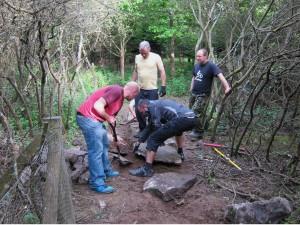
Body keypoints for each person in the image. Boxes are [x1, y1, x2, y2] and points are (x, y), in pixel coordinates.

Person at [76, 81, 140, 193]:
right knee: (96, 150)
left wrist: (114, 138)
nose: (134, 98)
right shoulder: (116, 90)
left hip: (96, 120)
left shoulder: (120, 101)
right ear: (133, 92)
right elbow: (97, 106)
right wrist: (108, 117)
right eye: (136, 95)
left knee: (105, 144)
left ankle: (106, 170)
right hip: (87, 118)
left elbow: (112, 121)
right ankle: (97, 183)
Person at [129, 99, 198, 177]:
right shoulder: (156, 104)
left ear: (144, 107)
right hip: (192, 118)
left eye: (142, 112)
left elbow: (156, 125)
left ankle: (147, 169)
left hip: (182, 119)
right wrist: (140, 141)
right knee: (178, 131)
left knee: (153, 139)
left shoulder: (153, 107)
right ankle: (180, 153)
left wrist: (160, 139)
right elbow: (150, 125)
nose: (143, 114)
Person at [189, 48, 231, 139]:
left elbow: (220, 76)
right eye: (197, 56)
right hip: (194, 93)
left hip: (203, 95)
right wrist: (191, 87)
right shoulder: (196, 66)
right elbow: (194, 76)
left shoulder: (211, 66)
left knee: (194, 113)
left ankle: (199, 132)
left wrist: (227, 87)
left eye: (199, 56)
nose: (197, 58)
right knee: (190, 112)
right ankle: (194, 128)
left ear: (205, 56)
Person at [132, 40, 167, 136]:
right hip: (139, 89)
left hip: (152, 89)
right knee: (138, 110)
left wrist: (163, 86)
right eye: (141, 52)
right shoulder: (137, 57)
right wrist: (132, 84)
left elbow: (162, 71)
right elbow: (135, 71)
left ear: (149, 49)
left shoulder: (156, 57)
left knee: (153, 111)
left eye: (145, 53)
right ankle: (142, 129)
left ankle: (153, 131)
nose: (143, 55)